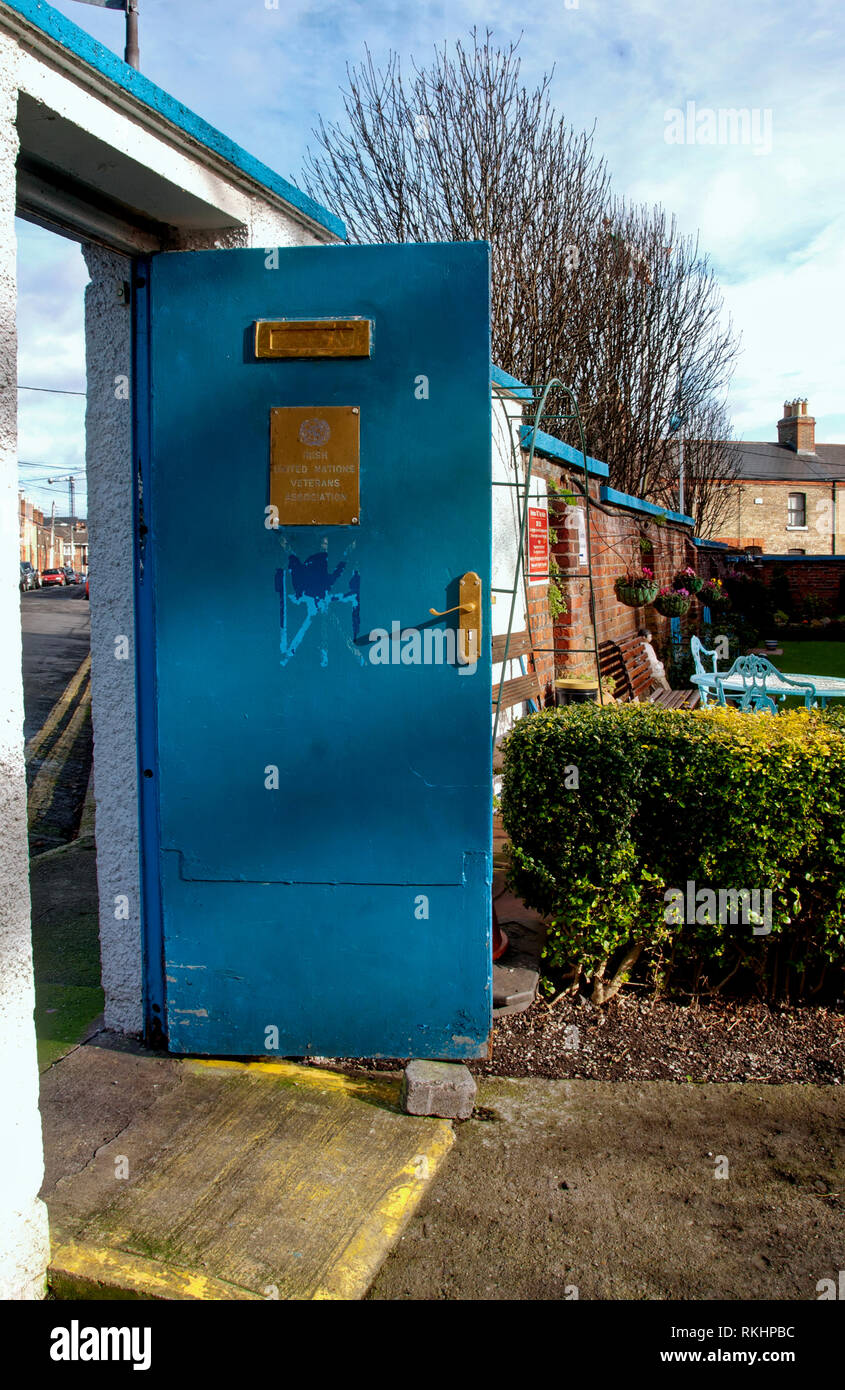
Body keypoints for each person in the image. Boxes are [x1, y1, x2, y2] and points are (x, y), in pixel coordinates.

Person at [637, 627, 671, 694]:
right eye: (650, 636)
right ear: (644, 637)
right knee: (662, 680)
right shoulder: (644, 647)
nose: (651, 638)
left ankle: (668, 693)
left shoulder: (647, 645)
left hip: (653, 668)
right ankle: (667, 693)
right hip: (651, 670)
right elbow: (651, 660)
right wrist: (658, 665)